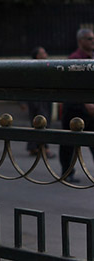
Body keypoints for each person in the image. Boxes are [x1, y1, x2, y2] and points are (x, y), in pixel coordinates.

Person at [60, 28, 94, 183]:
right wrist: (87, 102)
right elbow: (73, 85)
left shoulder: (91, 58)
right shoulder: (75, 59)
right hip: (74, 107)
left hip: (89, 107)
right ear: (80, 41)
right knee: (69, 142)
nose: (92, 41)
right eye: (89, 39)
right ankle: (67, 172)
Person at [26, 46, 55, 158]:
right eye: (43, 53)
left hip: (44, 98)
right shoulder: (33, 67)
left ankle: (34, 147)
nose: (45, 54)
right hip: (37, 99)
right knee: (42, 122)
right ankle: (44, 148)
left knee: (38, 123)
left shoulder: (45, 65)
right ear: (37, 56)